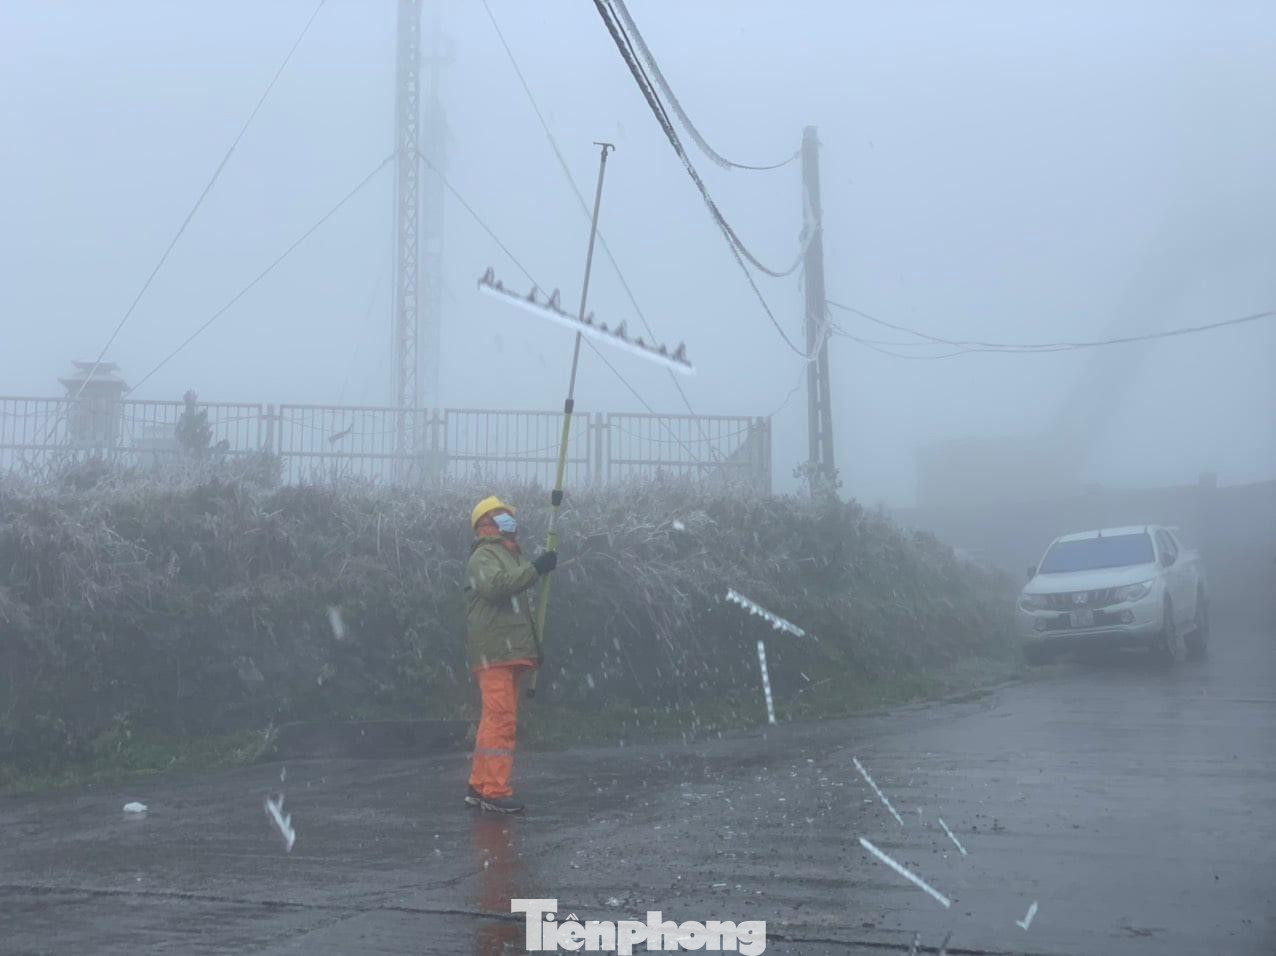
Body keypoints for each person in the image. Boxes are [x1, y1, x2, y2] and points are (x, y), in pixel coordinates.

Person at [464, 495, 557, 813]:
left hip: (508, 650)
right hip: (496, 651)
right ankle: (494, 791)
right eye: (502, 516)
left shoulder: (509, 554)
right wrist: (534, 569)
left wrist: (533, 648)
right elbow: (497, 587)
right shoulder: (485, 555)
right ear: (486, 523)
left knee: (493, 720)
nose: (510, 521)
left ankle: (480, 786)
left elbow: (520, 606)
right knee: (501, 722)